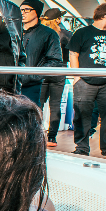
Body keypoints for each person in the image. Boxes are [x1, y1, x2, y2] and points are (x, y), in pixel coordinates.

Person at [69, 3, 106, 162]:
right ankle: (81, 148)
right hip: (85, 82)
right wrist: (77, 76)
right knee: (81, 117)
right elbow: (73, 54)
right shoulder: (82, 32)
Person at [15, 0, 65, 112]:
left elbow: (55, 60)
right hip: (11, 84)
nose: (22, 13)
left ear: (36, 12)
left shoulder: (48, 34)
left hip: (32, 86)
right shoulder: (13, 31)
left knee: (31, 117)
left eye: (27, 10)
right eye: (21, 10)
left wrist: (33, 76)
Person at [40, 8, 72, 146]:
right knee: (55, 105)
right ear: (58, 19)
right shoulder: (66, 34)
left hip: (41, 71)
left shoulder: (41, 32)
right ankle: (52, 137)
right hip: (59, 72)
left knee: (38, 104)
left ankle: (37, 134)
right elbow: (71, 54)